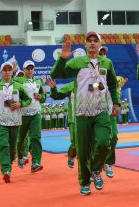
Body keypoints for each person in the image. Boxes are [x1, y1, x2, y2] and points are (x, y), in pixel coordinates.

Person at [50, 31, 120, 196]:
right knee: (83, 151)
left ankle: (96, 170)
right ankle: (84, 182)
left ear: (100, 44)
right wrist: (62, 59)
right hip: (81, 112)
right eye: (90, 41)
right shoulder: (77, 62)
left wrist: (115, 103)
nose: (93, 43)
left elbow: (111, 84)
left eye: (96, 41)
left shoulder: (107, 63)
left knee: (105, 142)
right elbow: (57, 74)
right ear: (85, 45)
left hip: (101, 110)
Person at [14, 60, 47, 173]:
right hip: (22, 114)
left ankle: (36, 162)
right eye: (27, 68)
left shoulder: (38, 82)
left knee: (35, 138)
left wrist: (41, 97)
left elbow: (43, 96)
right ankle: (20, 157)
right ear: (23, 70)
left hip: (36, 113)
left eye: (32, 68)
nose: (30, 70)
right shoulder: (18, 80)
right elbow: (5, 84)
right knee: (20, 139)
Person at [47, 79, 76, 168]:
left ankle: (90, 170)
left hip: (90, 118)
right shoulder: (71, 85)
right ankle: (71, 156)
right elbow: (57, 95)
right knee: (76, 143)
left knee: (91, 143)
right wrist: (53, 88)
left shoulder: (93, 84)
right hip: (75, 120)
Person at [98, 45, 118, 178]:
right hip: (96, 110)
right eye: (101, 52)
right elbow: (87, 88)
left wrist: (116, 104)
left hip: (109, 109)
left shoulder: (108, 68)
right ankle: (96, 166)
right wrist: (98, 85)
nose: (103, 55)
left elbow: (114, 86)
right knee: (98, 141)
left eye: (104, 53)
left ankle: (108, 163)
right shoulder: (89, 70)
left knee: (114, 137)